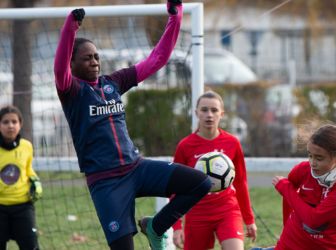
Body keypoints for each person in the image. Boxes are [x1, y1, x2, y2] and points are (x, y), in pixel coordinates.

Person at [53, 1, 212, 250]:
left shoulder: (113, 83)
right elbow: (59, 67)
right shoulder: (71, 91)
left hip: (136, 169)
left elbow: (157, 59)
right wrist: (70, 28)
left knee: (201, 183)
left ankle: (155, 227)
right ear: (72, 65)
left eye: (96, 57)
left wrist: (175, 18)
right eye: (87, 58)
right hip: (106, 183)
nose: (94, 62)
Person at [172, 90, 257, 250]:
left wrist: (249, 220)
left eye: (214, 110)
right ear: (196, 113)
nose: (209, 115)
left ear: (222, 114)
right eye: (204, 110)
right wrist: (176, 226)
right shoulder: (185, 146)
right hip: (197, 213)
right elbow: (175, 188)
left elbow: (240, 182)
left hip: (227, 210)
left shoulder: (232, 143)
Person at [271, 123, 336, 249]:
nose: (312, 163)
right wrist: (287, 229)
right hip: (289, 244)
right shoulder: (303, 169)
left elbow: (314, 221)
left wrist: (285, 189)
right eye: (310, 155)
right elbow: (288, 201)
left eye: (319, 158)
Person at [0, 105, 43, 250]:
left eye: (14, 121)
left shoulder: (27, 146)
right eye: (5, 122)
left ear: (20, 124)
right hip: (0, 206)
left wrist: (35, 181)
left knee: (31, 246)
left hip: (23, 206)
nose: (10, 125)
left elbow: (28, 169)